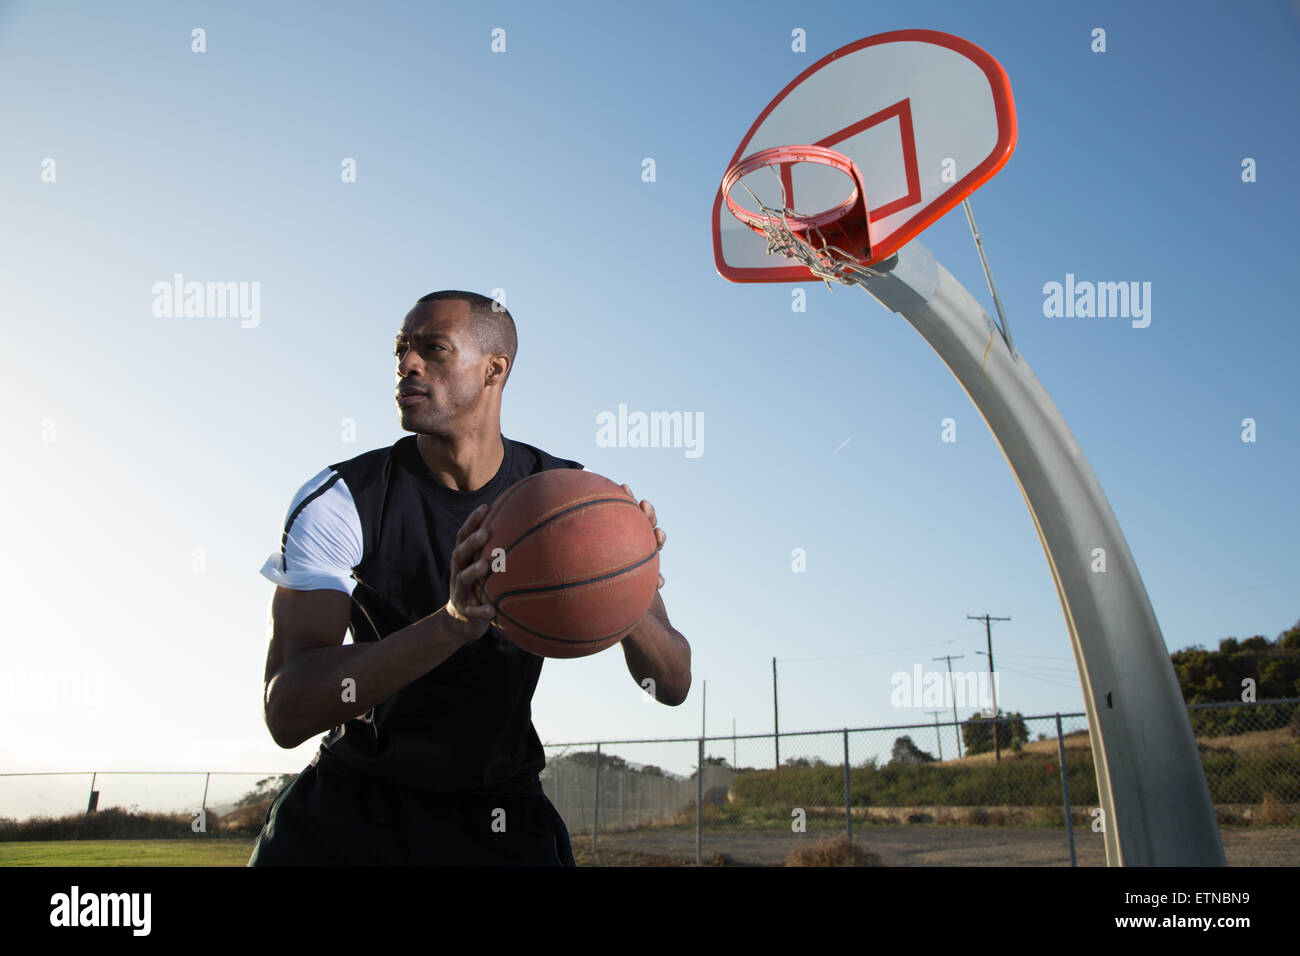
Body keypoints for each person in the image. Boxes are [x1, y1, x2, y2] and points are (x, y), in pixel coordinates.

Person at [248, 290, 691, 865]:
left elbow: (672, 684)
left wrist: (619, 581)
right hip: (356, 806)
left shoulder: (573, 497)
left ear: (494, 370)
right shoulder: (343, 499)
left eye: (433, 348)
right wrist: (452, 624)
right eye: (402, 349)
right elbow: (287, 711)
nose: (408, 364)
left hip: (500, 810)